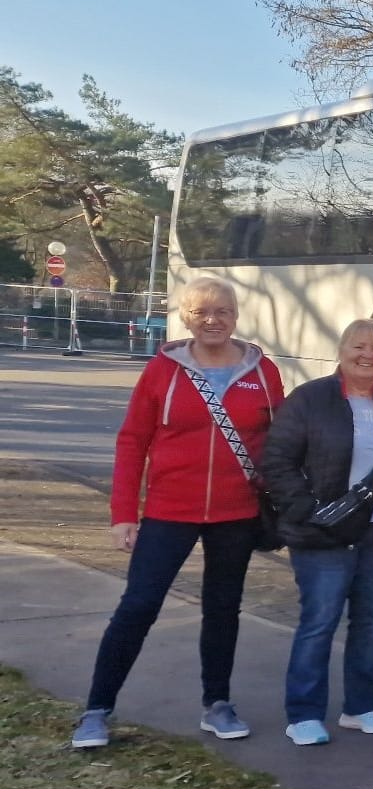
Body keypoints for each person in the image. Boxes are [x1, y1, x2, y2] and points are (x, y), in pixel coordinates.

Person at [72, 277, 284, 749]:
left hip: (237, 512)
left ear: (235, 315)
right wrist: (124, 513)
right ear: (186, 317)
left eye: (223, 311)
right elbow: (133, 441)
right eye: (201, 312)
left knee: (223, 608)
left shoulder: (263, 371)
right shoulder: (162, 370)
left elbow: (279, 441)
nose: (213, 320)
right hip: (170, 510)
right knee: (139, 606)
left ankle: (218, 704)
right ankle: (96, 710)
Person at [262, 319, 373, 746]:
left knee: (371, 624)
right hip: (325, 535)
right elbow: (277, 460)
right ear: (341, 349)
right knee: (319, 622)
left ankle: (360, 706)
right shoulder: (310, 398)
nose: (368, 355)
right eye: (359, 346)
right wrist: (308, 511)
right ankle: (303, 713)